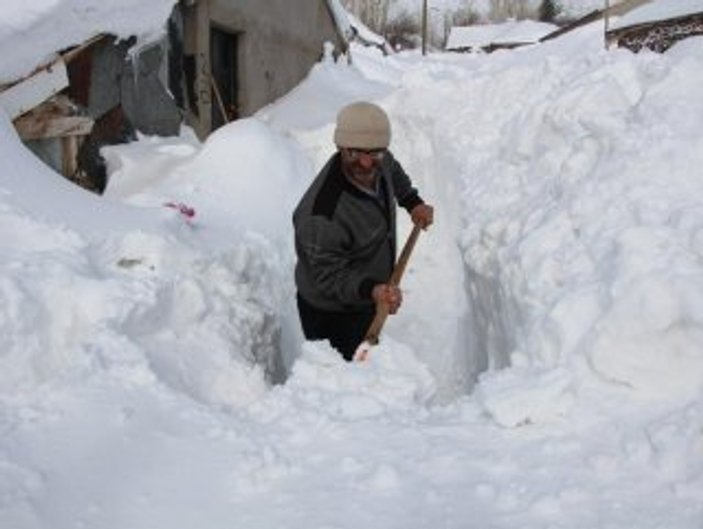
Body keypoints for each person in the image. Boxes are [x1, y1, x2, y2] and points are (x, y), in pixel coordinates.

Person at [293, 101, 434, 361]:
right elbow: (329, 277)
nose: (367, 163)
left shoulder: (381, 160)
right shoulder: (321, 216)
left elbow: (394, 173)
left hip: (366, 291)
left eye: (375, 153)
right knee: (342, 376)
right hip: (331, 312)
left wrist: (413, 203)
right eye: (355, 153)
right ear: (340, 148)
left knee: (366, 359)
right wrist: (375, 290)